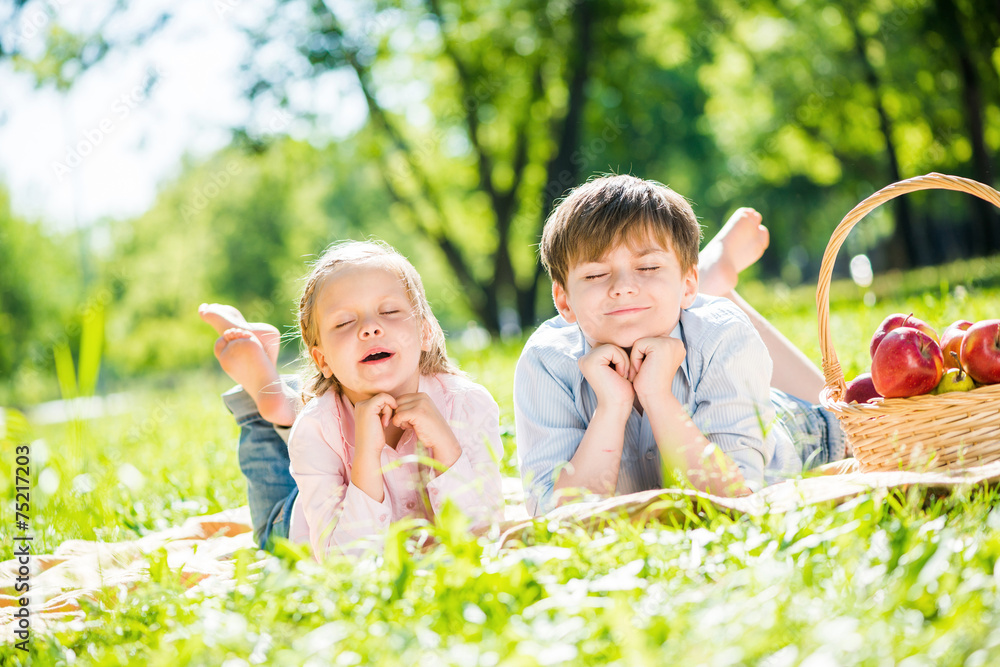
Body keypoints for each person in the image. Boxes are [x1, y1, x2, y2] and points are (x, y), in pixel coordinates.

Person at [514, 174, 846, 516]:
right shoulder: (546, 361)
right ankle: (711, 279)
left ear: (688, 284)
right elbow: (556, 519)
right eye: (596, 275)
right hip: (688, 327)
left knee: (844, 410)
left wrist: (658, 396)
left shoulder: (722, 334)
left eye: (647, 266)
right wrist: (611, 407)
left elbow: (736, 500)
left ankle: (712, 284)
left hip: (794, 425)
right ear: (563, 300)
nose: (623, 287)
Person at [200, 240, 504, 557]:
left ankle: (282, 402)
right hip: (303, 521)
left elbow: (483, 535)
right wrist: (365, 459)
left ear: (426, 332)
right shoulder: (316, 427)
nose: (370, 328)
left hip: (322, 443)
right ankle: (264, 394)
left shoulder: (467, 405)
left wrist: (445, 446)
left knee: (302, 422)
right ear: (322, 360)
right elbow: (343, 563)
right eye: (345, 322)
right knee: (270, 536)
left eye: (389, 311)